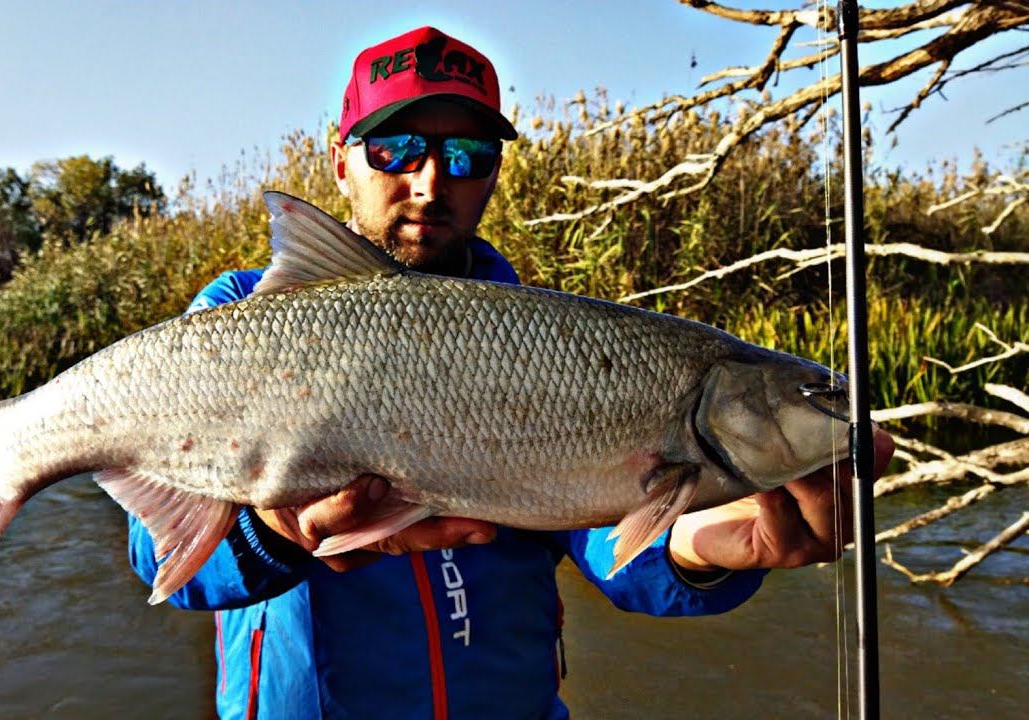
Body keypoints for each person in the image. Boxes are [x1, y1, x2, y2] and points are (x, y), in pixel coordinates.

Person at [129, 26, 893, 720]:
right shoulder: (237, 316)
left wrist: (707, 547)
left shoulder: (550, 342)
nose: (431, 183)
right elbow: (160, 557)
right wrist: (273, 531)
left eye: (467, 156)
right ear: (341, 161)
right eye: (395, 149)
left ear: (494, 172)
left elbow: (611, 549)